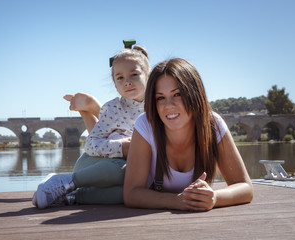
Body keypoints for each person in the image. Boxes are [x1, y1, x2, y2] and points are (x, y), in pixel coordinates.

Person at [123, 58, 253, 211]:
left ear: (195, 94)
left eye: (177, 94)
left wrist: (215, 198)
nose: (168, 106)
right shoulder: (146, 124)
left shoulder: (213, 125)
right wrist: (177, 201)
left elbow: (245, 187)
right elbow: (131, 194)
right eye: (160, 98)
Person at [32, 41, 151, 209]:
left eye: (134, 74)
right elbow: (90, 145)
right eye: (120, 78)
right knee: (125, 169)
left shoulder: (157, 107)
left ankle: (70, 196)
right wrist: (122, 148)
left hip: (133, 170)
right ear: (114, 83)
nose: (127, 82)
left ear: (148, 75)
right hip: (92, 164)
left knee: (135, 190)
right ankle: (64, 181)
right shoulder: (113, 108)